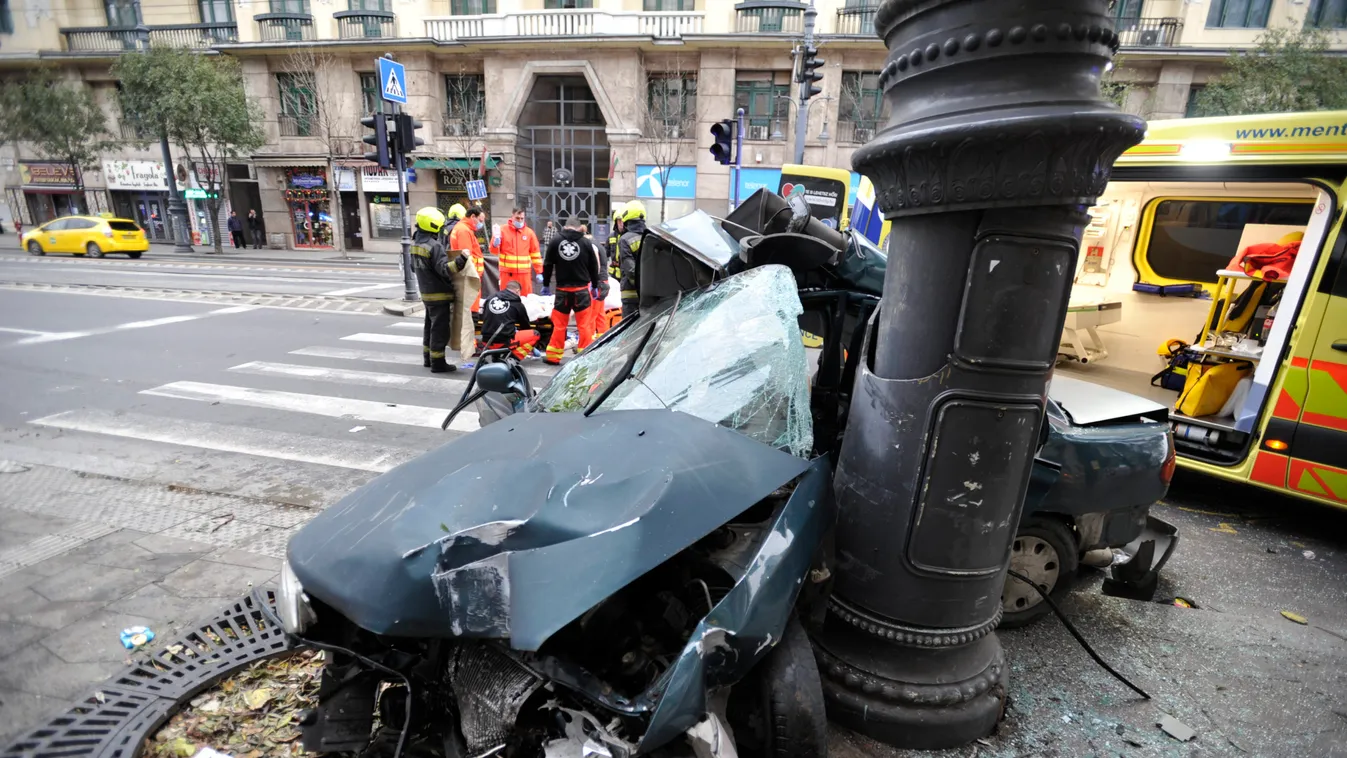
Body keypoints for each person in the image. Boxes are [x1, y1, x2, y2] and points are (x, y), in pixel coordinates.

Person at [410, 207, 471, 373]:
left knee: (430, 326)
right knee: (440, 329)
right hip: (439, 294)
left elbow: (413, 268)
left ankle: (427, 358)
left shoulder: (415, 244)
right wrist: (462, 260)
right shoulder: (434, 246)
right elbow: (445, 269)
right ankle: (438, 363)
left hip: (426, 293)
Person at [541, 215, 604, 365]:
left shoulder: (555, 241)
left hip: (562, 291)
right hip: (582, 291)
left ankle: (553, 356)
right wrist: (595, 285)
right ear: (579, 227)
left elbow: (548, 264)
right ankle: (585, 357)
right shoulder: (586, 242)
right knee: (584, 325)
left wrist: (546, 284)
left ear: (565, 226)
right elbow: (594, 266)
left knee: (560, 325)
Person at [480, 279, 539, 361]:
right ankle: (513, 359)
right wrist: (532, 347)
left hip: (486, 341)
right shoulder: (517, 304)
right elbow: (525, 326)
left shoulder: (490, 298)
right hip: (504, 342)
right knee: (535, 334)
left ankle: (496, 356)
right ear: (517, 291)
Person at [490, 207, 542, 296]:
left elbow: (535, 254)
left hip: (524, 274)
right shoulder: (502, 230)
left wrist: (539, 272)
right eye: (517, 218)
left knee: (526, 299)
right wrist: (495, 245)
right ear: (512, 217)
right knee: (506, 298)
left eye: (522, 218)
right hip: (507, 273)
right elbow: (493, 251)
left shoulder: (529, 233)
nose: (520, 220)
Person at [446, 204, 485, 312]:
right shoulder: (464, 231)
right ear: (473, 217)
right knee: (471, 307)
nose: (481, 223)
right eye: (480, 220)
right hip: (470, 276)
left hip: (468, 275)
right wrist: (473, 277)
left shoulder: (461, 228)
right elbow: (467, 256)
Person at [618, 200, 647, 319]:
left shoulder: (625, 239)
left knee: (629, 332)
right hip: (649, 295)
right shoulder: (651, 236)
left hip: (630, 294)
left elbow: (631, 271)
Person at [581, 223, 610, 336]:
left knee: (591, 314)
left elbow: (595, 265)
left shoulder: (590, 245)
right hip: (602, 281)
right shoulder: (596, 243)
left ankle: (589, 340)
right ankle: (603, 338)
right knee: (599, 314)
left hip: (596, 282)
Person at [607, 203, 625, 282]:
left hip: (625, 274)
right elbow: (605, 254)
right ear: (616, 222)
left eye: (623, 221)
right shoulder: (611, 236)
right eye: (619, 221)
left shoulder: (628, 236)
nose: (621, 223)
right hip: (613, 274)